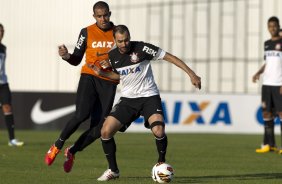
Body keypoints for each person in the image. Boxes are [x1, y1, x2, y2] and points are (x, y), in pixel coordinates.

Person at [90, 25, 201, 181]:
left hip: (149, 96)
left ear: (130, 37)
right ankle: (113, 170)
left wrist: (192, 74)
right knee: (105, 132)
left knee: (159, 131)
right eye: (120, 41)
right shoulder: (112, 56)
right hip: (128, 100)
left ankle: (161, 163)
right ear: (115, 40)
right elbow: (120, 76)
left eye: (126, 40)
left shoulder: (142, 48)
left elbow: (170, 57)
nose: (124, 44)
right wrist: (102, 73)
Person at [44, 1, 119, 173]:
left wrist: (113, 62)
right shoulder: (86, 32)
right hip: (90, 77)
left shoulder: (118, 32)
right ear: (94, 16)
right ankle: (57, 145)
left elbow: (124, 56)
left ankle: (72, 151)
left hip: (109, 81)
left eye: (105, 15)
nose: (103, 18)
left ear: (110, 13)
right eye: (99, 16)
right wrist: (66, 56)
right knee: (81, 114)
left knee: (100, 127)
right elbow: (77, 58)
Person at [252, 16, 282, 153]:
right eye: (270, 26)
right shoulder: (267, 43)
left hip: (279, 83)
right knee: (267, 113)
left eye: (275, 26)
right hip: (267, 83)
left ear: (278, 26)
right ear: (268, 27)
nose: (272, 28)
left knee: (281, 113)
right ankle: (270, 145)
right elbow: (268, 63)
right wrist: (258, 72)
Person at [0, 24, 24, 147]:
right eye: (0, 31)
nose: (1, 33)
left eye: (2, 31)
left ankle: (12, 139)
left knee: (7, 108)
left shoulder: (3, 48)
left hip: (3, 83)